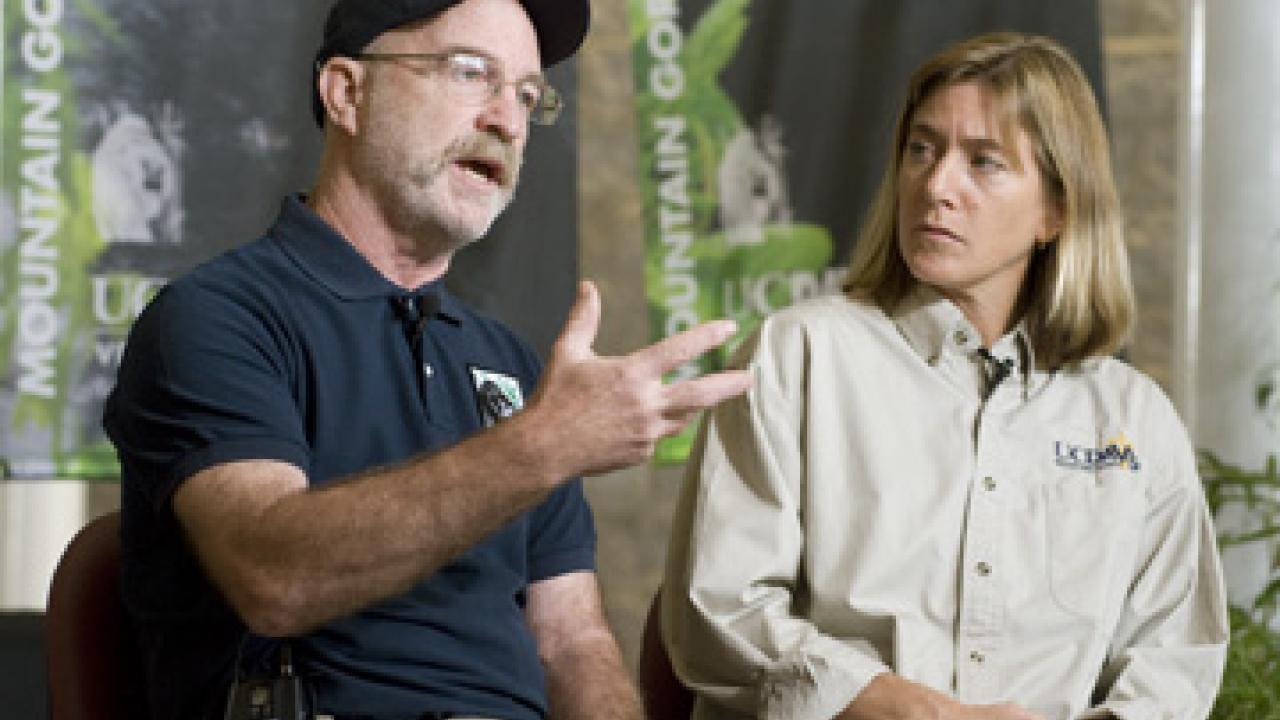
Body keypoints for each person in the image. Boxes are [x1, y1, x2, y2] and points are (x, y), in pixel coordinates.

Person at [103, 1, 753, 718]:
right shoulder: (217, 317)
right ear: (347, 92)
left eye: (528, 95)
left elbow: (570, 640)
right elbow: (273, 577)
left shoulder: (513, 365)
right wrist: (545, 445)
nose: (508, 121)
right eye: (471, 72)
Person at [661, 32, 1228, 720]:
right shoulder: (798, 354)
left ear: (1056, 208)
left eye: (983, 162)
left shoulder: (1135, 418)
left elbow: (1173, 665)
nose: (936, 187)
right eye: (921, 150)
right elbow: (718, 611)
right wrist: (900, 707)